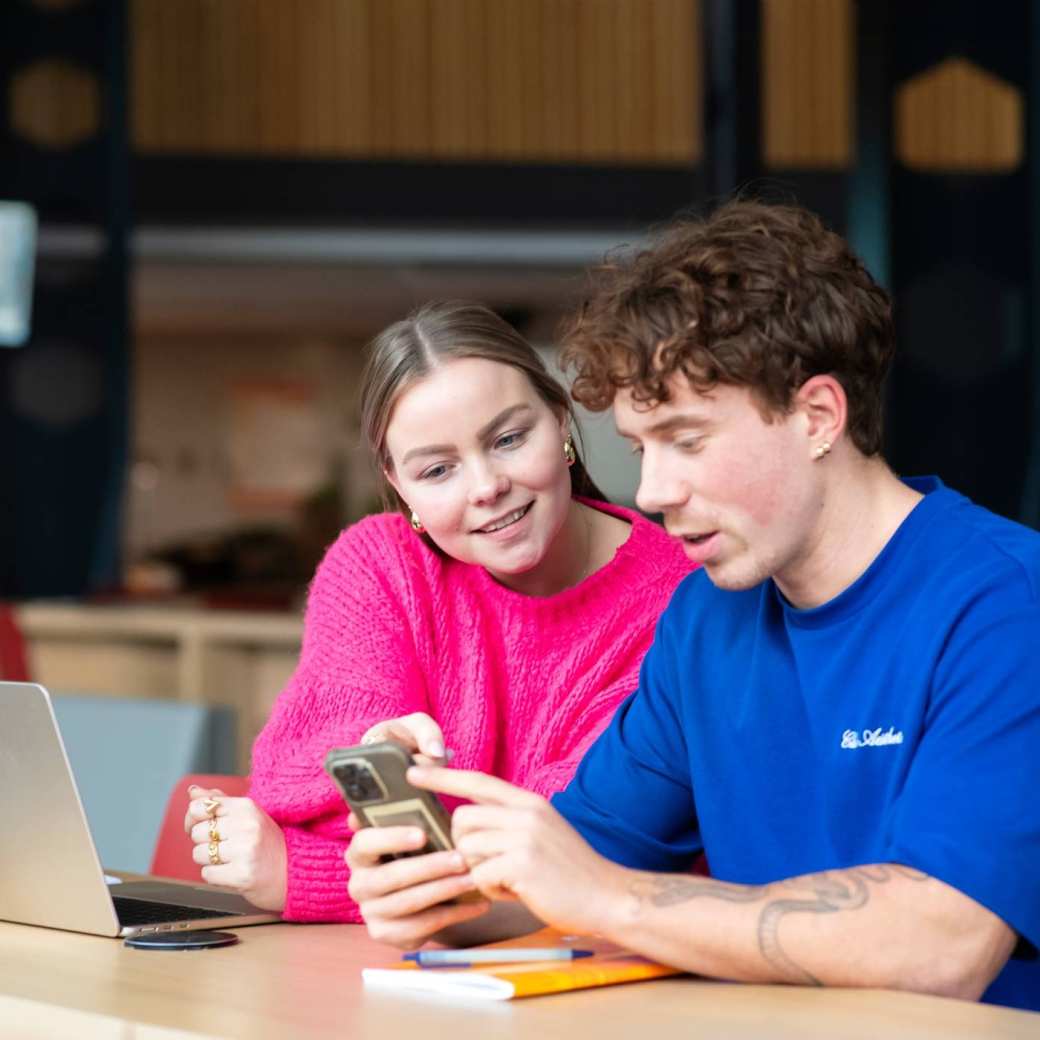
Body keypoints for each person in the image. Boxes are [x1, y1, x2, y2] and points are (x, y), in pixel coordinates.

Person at [401, 203, 1040, 1011]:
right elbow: (566, 872)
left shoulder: (1008, 604)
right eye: (641, 449)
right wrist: (438, 894)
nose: (654, 493)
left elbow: (941, 945)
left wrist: (611, 899)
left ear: (817, 417)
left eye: (688, 441)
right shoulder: (704, 620)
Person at [182, 300, 693, 929]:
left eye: (508, 439)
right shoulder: (379, 565)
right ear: (400, 486)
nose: (484, 487)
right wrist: (373, 753)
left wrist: (299, 872)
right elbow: (290, 795)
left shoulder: (683, 597)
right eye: (438, 469)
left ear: (561, 421)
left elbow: (571, 850)